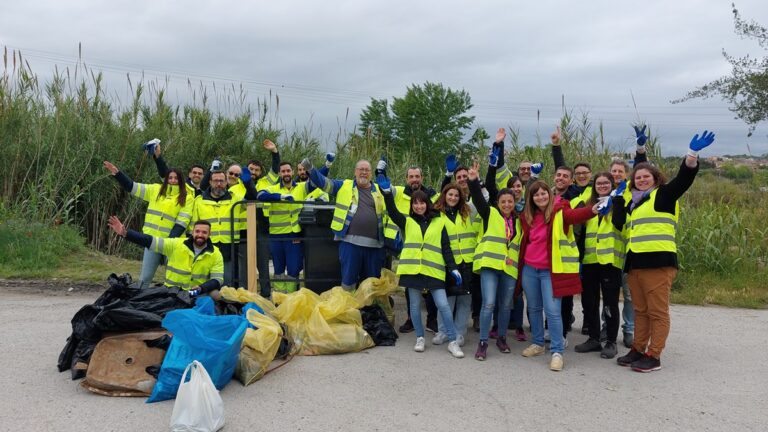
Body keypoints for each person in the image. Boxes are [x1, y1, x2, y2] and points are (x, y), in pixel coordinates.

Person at [613, 130, 714, 373]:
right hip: (636, 264)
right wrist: (639, 153)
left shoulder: (664, 196)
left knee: (657, 312)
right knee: (640, 310)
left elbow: (684, 179)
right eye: (638, 177)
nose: (641, 180)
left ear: (656, 179)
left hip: (658, 263)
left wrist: (692, 155)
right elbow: (620, 222)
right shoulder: (636, 204)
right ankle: (638, 348)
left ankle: (654, 355)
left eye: (647, 177)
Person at [378, 175, 465, 358]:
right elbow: (393, 212)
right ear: (412, 206)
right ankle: (420, 337)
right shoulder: (407, 222)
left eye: (422, 203)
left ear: (427, 204)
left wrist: (453, 267)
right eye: (415, 203)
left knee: (443, 305)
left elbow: (446, 247)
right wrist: (387, 194)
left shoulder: (439, 221)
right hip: (413, 271)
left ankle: (452, 341)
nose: (419, 206)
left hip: (434, 270)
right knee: (415, 307)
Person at [518, 180, 599, 371]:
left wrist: (592, 210)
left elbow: (575, 216)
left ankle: (556, 351)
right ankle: (538, 343)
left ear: (550, 193)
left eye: (543, 193)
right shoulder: (528, 216)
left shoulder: (560, 211)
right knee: (534, 308)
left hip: (550, 270)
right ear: (531, 198)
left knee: (553, 311)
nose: (540, 197)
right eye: (536, 194)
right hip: (530, 269)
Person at [103, 160, 194, 289]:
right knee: (145, 279)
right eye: (170, 177)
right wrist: (118, 174)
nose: (173, 180)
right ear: (166, 179)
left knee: (176, 280)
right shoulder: (155, 189)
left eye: (176, 178)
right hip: (152, 242)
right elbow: (132, 187)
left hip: (173, 244)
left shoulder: (187, 197)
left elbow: (181, 223)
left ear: (181, 180)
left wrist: (167, 244)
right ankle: (138, 304)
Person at [308, 160, 397, 291]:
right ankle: (349, 309)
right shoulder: (344, 185)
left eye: (367, 170)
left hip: (375, 246)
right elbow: (324, 183)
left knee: (372, 284)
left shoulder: (381, 189)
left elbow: (403, 193)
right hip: (349, 244)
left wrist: (384, 174)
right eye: (361, 169)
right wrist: (311, 169)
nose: (364, 173)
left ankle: (369, 310)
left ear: (371, 174)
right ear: (355, 171)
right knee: (348, 282)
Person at [467, 161, 523, 360]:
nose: (507, 204)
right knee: (489, 303)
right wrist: (473, 181)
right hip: (490, 265)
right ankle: (483, 342)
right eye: (503, 201)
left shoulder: (519, 220)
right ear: (498, 203)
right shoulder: (489, 214)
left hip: (509, 269)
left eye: (510, 201)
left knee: (506, 304)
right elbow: (478, 199)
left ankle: (501, 338)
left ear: (514, 202)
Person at [378, 159, 440, 334]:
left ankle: (432, 319)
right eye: (411, 176)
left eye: (417, 176)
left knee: (429, 285)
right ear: (406, 178)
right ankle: (411, 319)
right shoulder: (398, 191)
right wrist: (381, 173)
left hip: (427, 246)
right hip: (403, 244)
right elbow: (386, 195)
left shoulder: (431, 194)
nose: (414, 179)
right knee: (410, 284)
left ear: (422, 177)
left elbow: (439, 208)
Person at [574, 173, 627, 359]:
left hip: (609, 261)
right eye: (599, 183)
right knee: (589, 302)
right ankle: (594, 338)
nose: (602, 185)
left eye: (606, 183)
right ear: (594, 186)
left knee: (610, 303)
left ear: (612, 184)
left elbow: (621, 224)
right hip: (590, 261)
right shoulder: (590, 206)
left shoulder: (617, 203)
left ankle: (611, 341)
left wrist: (617, 201)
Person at [108, 217, 224, 297]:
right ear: (192, 232)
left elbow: (217, 279)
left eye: (204, 232)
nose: (200, 235)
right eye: (197, 231)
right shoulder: (176, 244)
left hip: (196, 293)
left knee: (216, 295)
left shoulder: (216, 253)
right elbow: (150, 241)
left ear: (209, 234)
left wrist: (201, 288)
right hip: (173, 292)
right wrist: (126, 233)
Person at [191, 169, 259, 287]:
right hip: (206, 246)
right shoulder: (199, 200)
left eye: (222, 181)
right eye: (216, 181)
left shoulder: (235, 199)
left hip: (228, 246)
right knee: (204, 281)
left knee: (227, 282)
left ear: (226, 182)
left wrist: (249, 183)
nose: (219, 184)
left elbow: (253, 198)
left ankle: (225, 304)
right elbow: (193, 226)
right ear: (210, 182)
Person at [431, 182, 477, 348]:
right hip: (446, 262)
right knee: (447, 299)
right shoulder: (436, 214)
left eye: (456, 195)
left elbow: (482, 199)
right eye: (450, 194)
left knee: (465, 299)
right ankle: (443, 331)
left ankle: (459, 332)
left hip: (467, 261)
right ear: (444, 195)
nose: (453, 198)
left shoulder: (467, 212)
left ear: (461, 197)